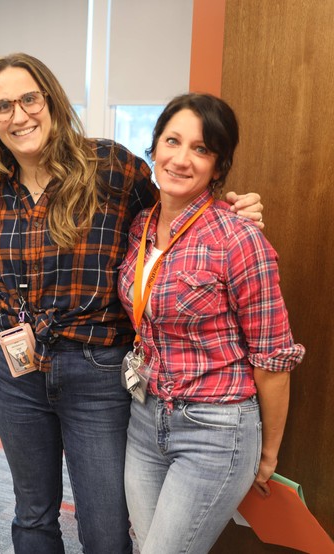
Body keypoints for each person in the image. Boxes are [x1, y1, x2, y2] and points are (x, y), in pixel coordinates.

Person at [0, 52, 264, 554]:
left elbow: (175, 219)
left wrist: (234, 208)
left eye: (29, 99)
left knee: (105, 527)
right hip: (16, 372)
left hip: (97, 370)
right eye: (2, 107)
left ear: (52, 102)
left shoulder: (111, 165)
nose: (19, 116)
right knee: (33, 515)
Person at [117, 93, 304, 553]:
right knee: (144, 545)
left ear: (218, 167)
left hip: (216, 430)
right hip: (145, 418)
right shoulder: (140, 225)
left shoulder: (239, 239)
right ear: (154, 147)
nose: (181, 159)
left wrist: (268, 454)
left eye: (200, 149)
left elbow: (273, 358)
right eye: (172, 141)